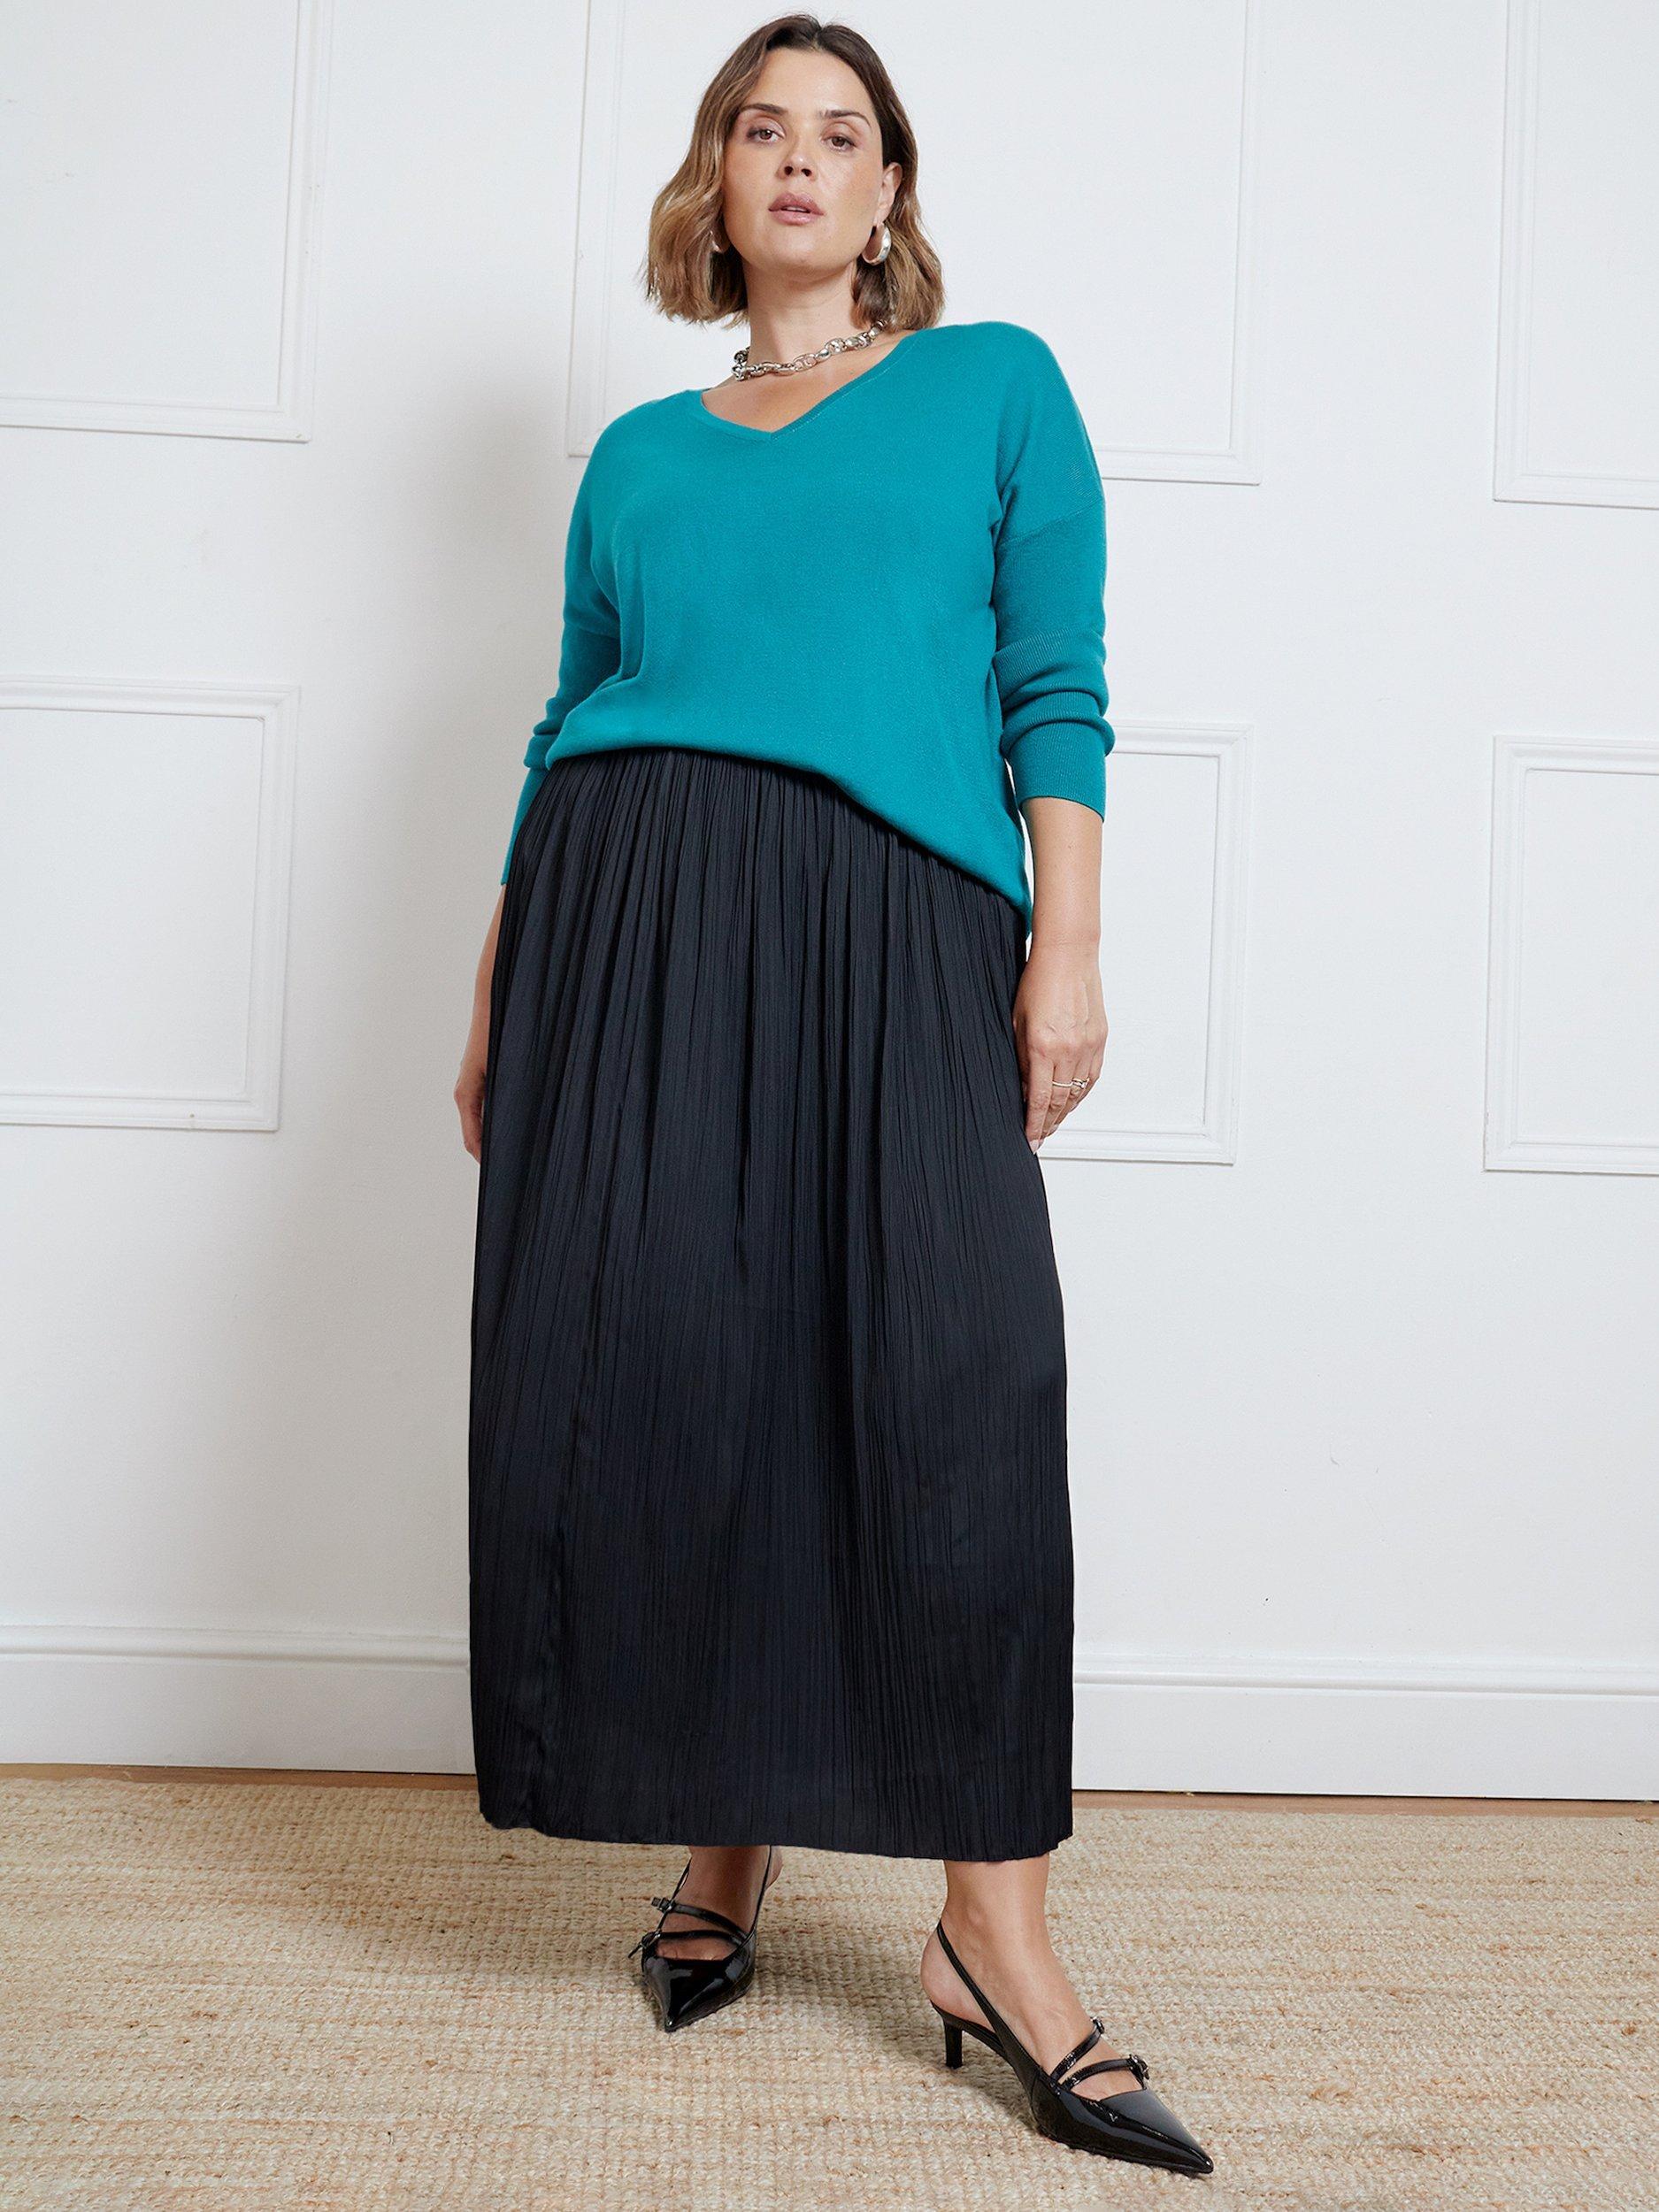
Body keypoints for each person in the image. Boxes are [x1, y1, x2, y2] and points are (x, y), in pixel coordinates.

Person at [457, 13, 1213, 2180]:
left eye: (841, 133)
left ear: (888, 195)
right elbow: (566, 714)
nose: (798, 158)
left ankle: (994, 1933)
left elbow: (1053, 684)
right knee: (686, 1373)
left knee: (955, 1380)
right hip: (626, 921)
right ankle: (730, 1833)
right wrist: (499, 984)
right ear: (717, 179)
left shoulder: (992, 386)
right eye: (759, 127)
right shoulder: (637, 453)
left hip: (897, 921)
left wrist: (1064, 945)